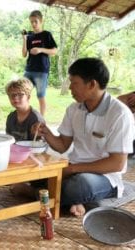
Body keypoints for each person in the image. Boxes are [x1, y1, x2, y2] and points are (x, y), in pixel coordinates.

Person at [34, 58, 135, 217]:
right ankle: (73, 200)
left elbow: (117, 163)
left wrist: (73, 169)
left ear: (92, 84)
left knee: (79, 185)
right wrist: (45, 132)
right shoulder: (74, 109)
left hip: (105, 177)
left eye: (74, 83)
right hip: (74, 169)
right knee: (36, 172)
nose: (70, 88)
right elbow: (62, 146)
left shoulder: (120, 114)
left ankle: (33, 195)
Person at [22, 10, 57, 116]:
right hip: (29, 70)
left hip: (41, 71)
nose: (33, 24)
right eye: (31, 22)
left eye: (35, 21)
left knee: (40, 96)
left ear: (41, 21)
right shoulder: (30, 36)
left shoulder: (47, 35)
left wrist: (40, 50)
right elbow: (24, 54)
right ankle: (25, 116)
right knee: (23, 93)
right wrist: (24, 40)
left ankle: (41, 120)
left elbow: (54, 51)